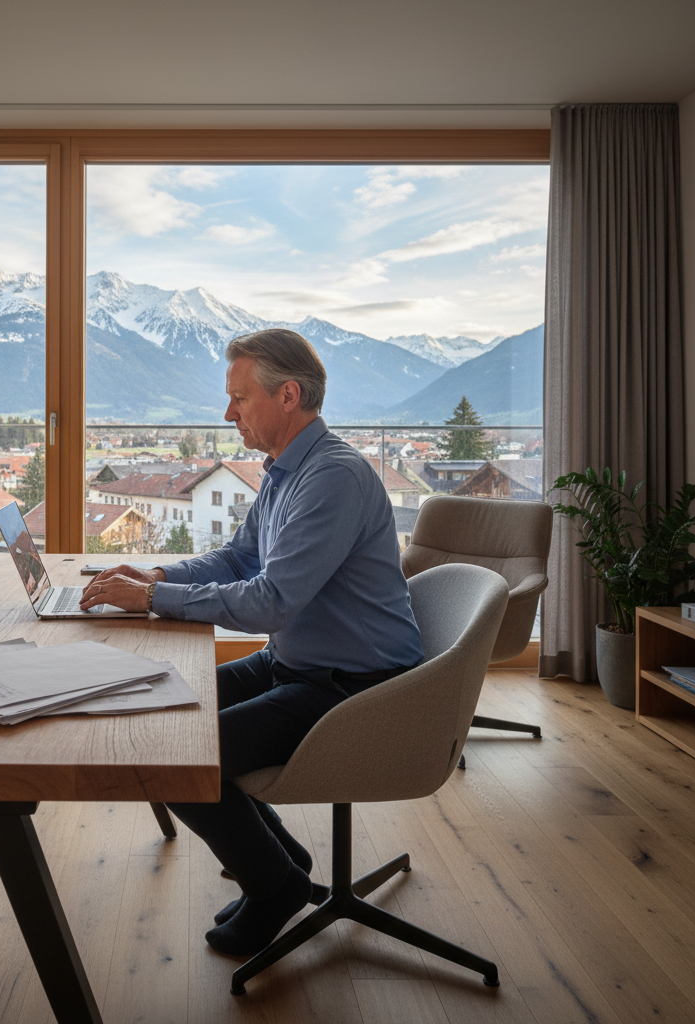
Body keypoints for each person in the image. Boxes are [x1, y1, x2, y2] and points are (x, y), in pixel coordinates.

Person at [80, 328, 423, 957]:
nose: (227, 412)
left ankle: (275, 888)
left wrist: (154, 601)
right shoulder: (283, 471)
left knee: (177, 755)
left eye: (239, 397)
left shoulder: (333, 478)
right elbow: (240, 557)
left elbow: (271, 599)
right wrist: (157, 576)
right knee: (162, 719)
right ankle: (283, 866)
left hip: (355, 688)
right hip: (297, 662)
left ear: (287, 395)